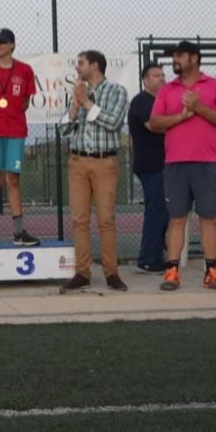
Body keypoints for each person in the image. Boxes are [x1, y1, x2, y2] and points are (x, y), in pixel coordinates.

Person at [148, 41, 216, 291]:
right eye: (173, 56)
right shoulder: (167, 90)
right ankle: (172, 272)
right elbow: (154, 122)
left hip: (207, 162)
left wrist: (198, 107)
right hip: (175, 163)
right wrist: (180, 116)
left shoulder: (215, 86)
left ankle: (211, 272)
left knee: (209, 219)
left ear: (194, 58)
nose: (174, 60)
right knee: (176, 219)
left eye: (179, 55)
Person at [59, 50, 130, 293]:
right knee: (79, 220)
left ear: (95, 66)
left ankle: (112, 273)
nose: (76, 67)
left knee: (106, 220)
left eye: (80, 63)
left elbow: (112, 123)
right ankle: (82, 272)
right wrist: (74, 107)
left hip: (104, 163)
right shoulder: (78, 92)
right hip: (78, 162)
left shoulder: (116, 92)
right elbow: (64, 131)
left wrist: (87, 102)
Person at [0, 28, 40, 247]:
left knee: (13, 179)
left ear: (12, 44)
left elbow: (25, 102)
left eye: (2, 42)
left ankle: (19, 232)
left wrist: (10, 116)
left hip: (16, 131)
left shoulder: (25, 70)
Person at [127, 62, 169, 273]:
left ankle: (158, 255)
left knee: (166, 212)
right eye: (156, 75)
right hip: (152, 165)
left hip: (167, 164)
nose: (161, 78)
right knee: (157, 211)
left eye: (163, 75)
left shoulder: (164, 102)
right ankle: (148, 259)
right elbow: (154, 125)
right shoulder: (141, 101)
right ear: (145, 80)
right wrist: (181, 119)